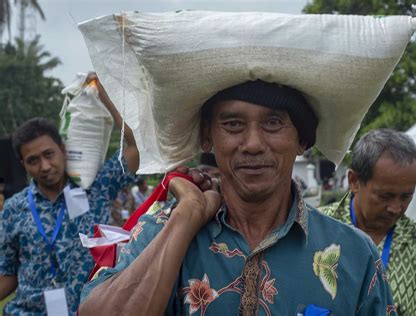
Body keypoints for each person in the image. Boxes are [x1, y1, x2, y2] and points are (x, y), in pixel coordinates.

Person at [79, 80, 395, 315]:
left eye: (273, 123)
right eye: (233, 124)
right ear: (207, 137)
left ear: (302, 140)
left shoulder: (354, 254)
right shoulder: (161, 233)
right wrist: (186, 217)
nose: (254, 143)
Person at [0, 73, 139, 315]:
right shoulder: (14, 208)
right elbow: (9, 274)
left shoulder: (96, 187)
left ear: (62, 150)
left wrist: (104, 93)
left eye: (49, 154)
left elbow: (135, 147)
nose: (44, 166)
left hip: (87, 310)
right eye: (33, 161)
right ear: (23, 165)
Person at [319, 129, 416, 315]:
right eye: (385, 196)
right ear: (354, 181)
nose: (396, 208)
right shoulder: (314, 230)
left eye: (406, 196)